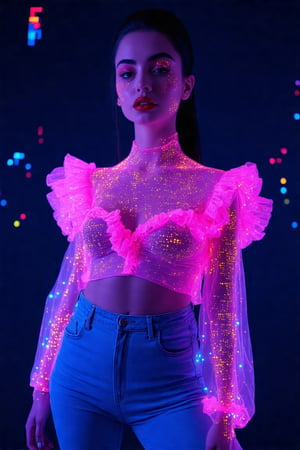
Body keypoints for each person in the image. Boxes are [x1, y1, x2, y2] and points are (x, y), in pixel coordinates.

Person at [25, 8, 272, 450]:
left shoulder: (217, 188)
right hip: (79, 368)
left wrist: (225, 412)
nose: (143, 84)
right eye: (127, 73)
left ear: (186, 85)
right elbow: (67, 286)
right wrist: (41, 384)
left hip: (171, 381)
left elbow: (222, 304)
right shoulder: (92, 183)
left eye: (160, 69)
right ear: (117, 91)